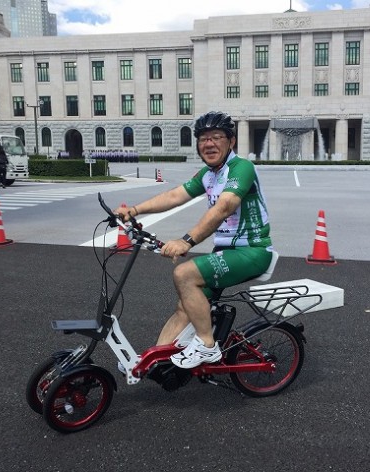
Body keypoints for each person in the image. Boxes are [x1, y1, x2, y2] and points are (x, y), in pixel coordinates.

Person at [115, 111, 274, 369]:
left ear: (231, 141)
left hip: (252, 251)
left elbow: (224, 207)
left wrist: (187, 241)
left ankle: (207, 345)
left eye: (216, 137)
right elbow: (175, 196)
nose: (209, 144)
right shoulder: (209, 174)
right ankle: (154, 362)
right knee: (185, 307)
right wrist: (133, 210)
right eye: (203, 139)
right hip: (226, 252)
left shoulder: (241, 168)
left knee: (184, 274)